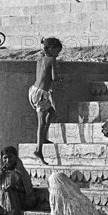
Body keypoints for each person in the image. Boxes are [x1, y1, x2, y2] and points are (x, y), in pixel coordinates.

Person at [29, 37, 63, 165]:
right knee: (41, 122)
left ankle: (43, 137)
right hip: (41, 94)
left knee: (52, 112)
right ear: (52, 49)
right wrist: (61, 79)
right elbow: (54, 77)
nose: (58, 54)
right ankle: (39, 149)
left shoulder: (39, 60)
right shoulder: (52, 60)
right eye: (57, 51)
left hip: (33, 91)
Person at [0, 146, 36, 215]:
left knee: (8, 192)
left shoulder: (20, 172)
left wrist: (14, 187)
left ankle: (9, 214)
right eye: (5, 158)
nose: (8, 160)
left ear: (15, 158)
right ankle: (6, 213)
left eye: (10, 157)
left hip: (18, 201)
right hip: (1, 201)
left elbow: (28, 191)